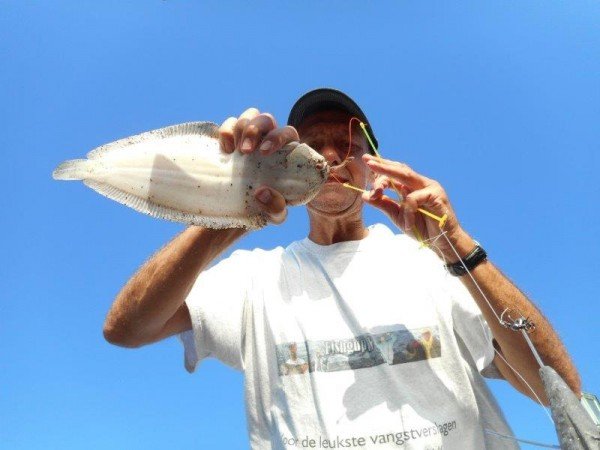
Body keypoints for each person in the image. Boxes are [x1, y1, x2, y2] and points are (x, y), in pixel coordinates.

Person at [103, 88, 581, 449]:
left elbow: (557, 390)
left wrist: (455, 244)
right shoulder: (252, 280)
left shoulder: (437, 268)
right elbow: (126, 329)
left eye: (346, 145)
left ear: (371, 165)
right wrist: (234, 210)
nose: (331, 156)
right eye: (311, 145)